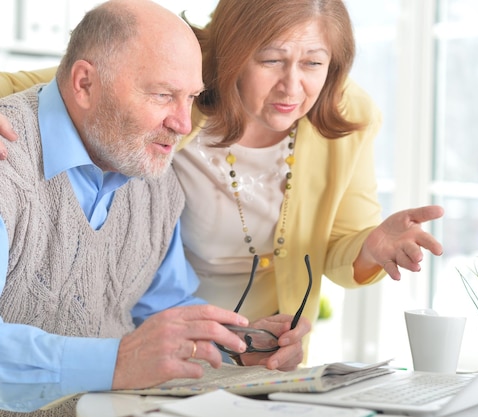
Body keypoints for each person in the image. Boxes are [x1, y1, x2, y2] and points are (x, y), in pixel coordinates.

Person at [0, 0, 443, 360]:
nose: (293, 86)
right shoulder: (178, 79)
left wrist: (369, 248)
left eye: (313, 62)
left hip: (244, 348)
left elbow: (339, 242)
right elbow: (74, 82)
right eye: (271, 60)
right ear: (230, 56)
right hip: (161, 345)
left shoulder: (348, 115)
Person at [0, 1, 309, 415]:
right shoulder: (7, 165)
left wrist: (234, 343)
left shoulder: (153, 179)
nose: (183, 123)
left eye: (191, 98)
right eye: (163, 95)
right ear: (85, 84)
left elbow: (163, 310)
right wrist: (119, 362)